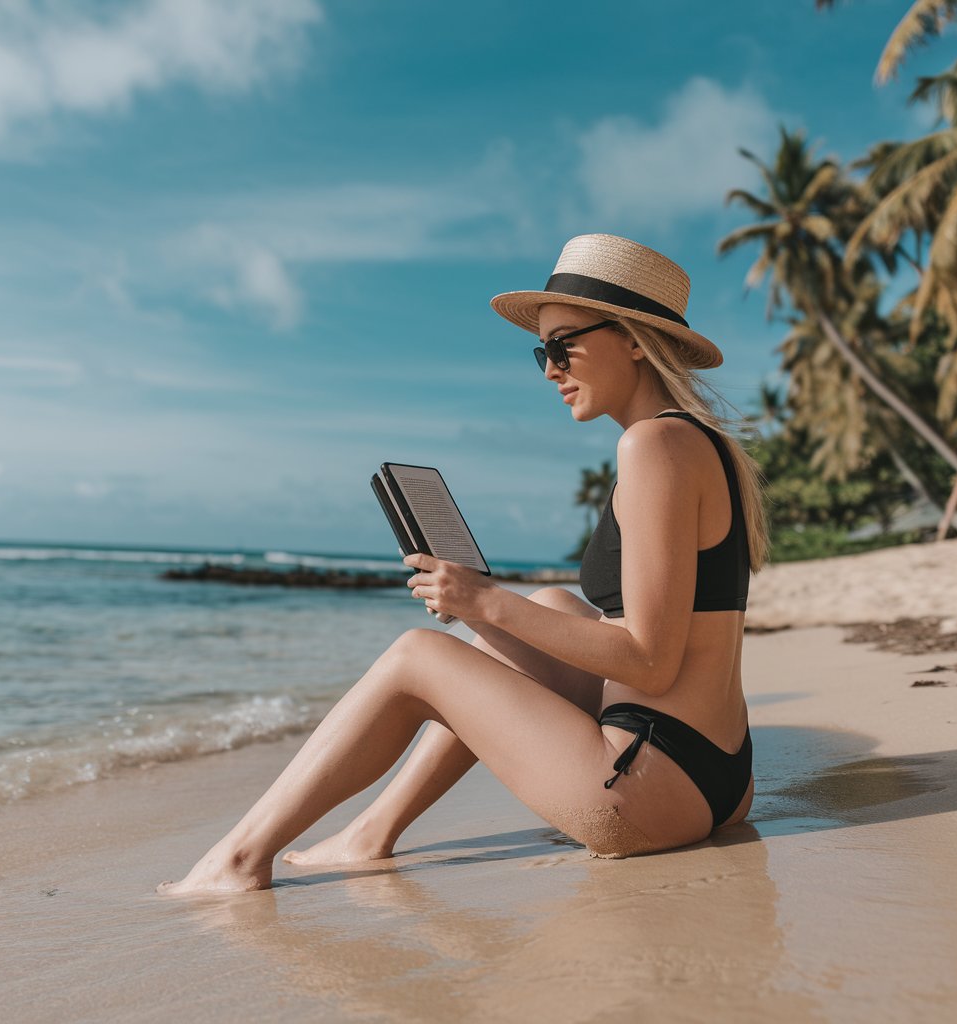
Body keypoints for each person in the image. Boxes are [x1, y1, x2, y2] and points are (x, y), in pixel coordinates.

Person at [157, 233, 770, 894]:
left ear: (631, 340)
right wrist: (498, 606)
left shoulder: (653, 445)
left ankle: (240, 859)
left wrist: (482, 601)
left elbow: (650, 659)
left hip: (647, 788)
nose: (549, 370)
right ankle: (372, 832)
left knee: (415, 657)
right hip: (719, 776)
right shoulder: (695, 440)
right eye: (542, 351)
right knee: (555, 606)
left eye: (563, 346)